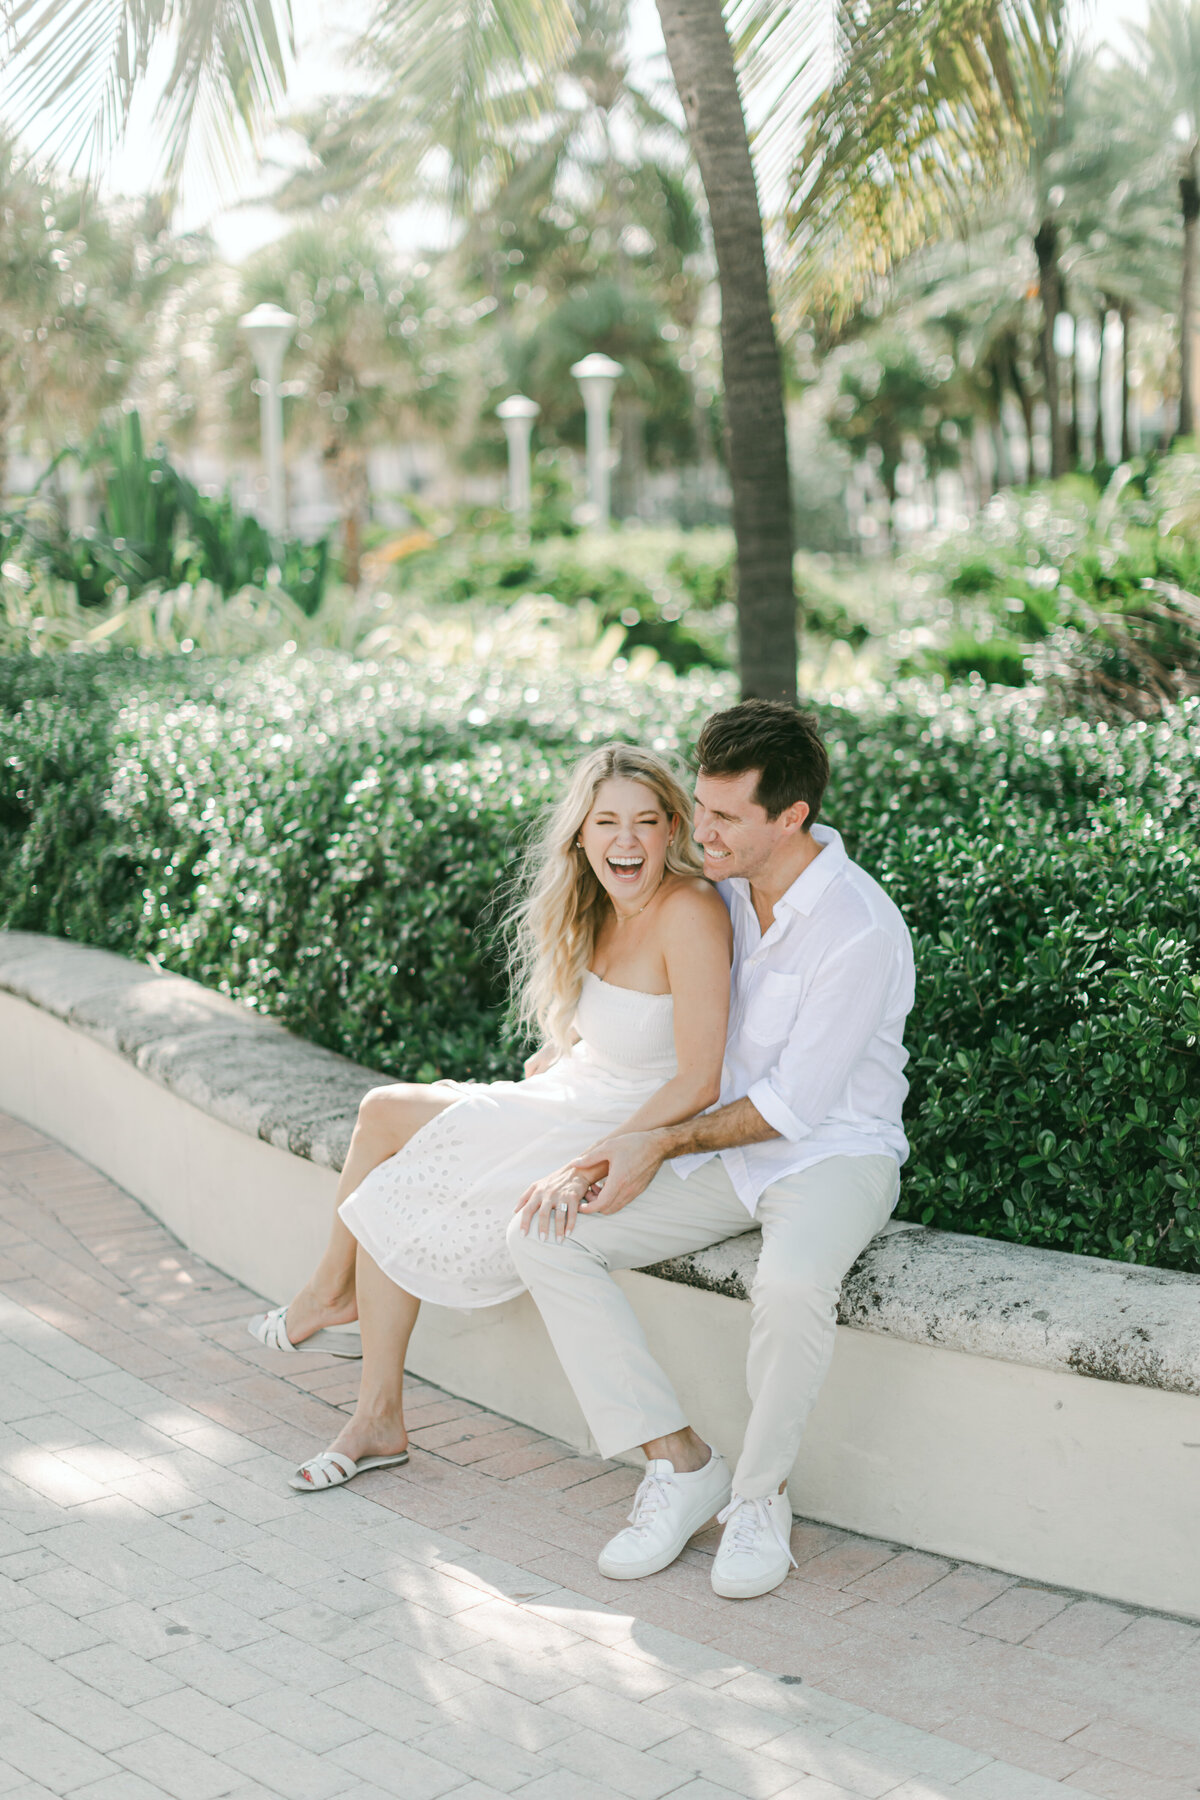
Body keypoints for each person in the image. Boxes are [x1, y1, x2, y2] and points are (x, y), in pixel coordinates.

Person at [506, 699, 915, 1601]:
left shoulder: (858, 927)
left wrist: (652, 1142)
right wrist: (578, 1060)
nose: (701, 829)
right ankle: (681, 1463)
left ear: (791, 818)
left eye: (725, 816)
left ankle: (761, 1498)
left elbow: (791, 1108)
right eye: (702, 805)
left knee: (794, 1284)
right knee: (545, 1234)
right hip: (725, 1152)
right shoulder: (724, 886)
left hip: (832, 1154)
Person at [259, 743, 733, 1491]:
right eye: (606, 821)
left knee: (388, 1140)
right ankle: (371, 1400)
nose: (626, 840)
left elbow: (701, 1076)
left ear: (673, 826)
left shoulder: (691, 909)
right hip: (576, 1091)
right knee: (391, 1150)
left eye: (646, 821)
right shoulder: (599, 908)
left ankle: (333, 1310)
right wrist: (566, 1046)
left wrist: (597, 1157)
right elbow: (627, 1021)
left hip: (622, 1121)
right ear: (580, 834)